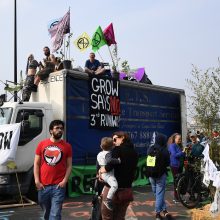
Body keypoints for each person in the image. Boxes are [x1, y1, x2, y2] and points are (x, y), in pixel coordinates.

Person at [34, 120, 72, 220]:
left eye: (61, 128)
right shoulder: (42, 144)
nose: (60, 130)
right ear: (51, 131)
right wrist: (37, 181)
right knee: (46, 212)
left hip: (58, 186)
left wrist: (65, 181)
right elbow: (36, 164)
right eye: (57, 128)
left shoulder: (67, 146)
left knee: (55, 214)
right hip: (43, 186)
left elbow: (69, 166)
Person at [99, 131, 138, 220]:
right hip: (127, 190)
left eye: (115, 139)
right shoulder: (134, 152)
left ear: (123, 137)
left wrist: (101, 171)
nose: (113, 142)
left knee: (107, 216)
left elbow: (109, 167)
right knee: (120, 217)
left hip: (112, 190)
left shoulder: (117, 149)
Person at [146, 133, 172, 220]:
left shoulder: (150, 148)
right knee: (159, 194)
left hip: (150, 174)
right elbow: (168, 163)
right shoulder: (165, 150)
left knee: (157, 194)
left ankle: (164, 210)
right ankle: (157, 213)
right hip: (161, 174)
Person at [96, 137, 121, 210]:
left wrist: (98, 173)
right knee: (114, 186)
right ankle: (108, 200)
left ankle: (101, 195)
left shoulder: (99, 154)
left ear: (101, 146)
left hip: (102, 173)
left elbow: (98, 165)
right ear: (112, 146)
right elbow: (110, 161)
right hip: (108, 174)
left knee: (107, 184)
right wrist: (118, 161)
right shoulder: (107, 154)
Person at [167, 133, 186, 202]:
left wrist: (185, 152)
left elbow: (181, 155)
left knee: (180, 181)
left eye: (180, 139)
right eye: (178, 139)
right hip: (174, 165)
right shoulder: (172, 146)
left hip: (180, 165)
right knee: (176, 181)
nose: (180, 140)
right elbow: (174, 155)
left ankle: (179, 196)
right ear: (174, 139)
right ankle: (176, 197)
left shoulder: (179, 146)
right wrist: (183, 152)